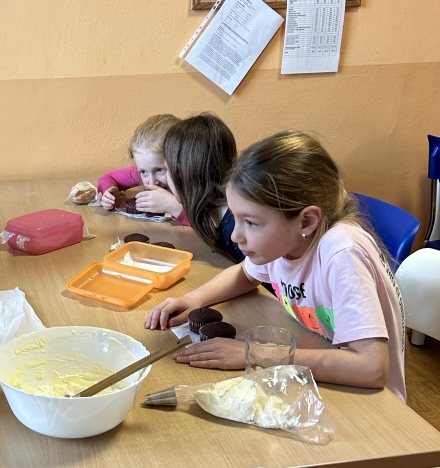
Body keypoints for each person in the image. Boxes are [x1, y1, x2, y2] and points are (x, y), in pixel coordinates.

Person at [146, 131, 406, 400]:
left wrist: (256, 354)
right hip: (320, 372)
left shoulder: (341, 253)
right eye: (236, 217)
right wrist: (194, 299)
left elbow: (371, 368)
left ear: (306, 221)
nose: (235, 236)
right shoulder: (285, 243)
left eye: (251, 222)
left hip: (370, 400)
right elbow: (244, 274)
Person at [162, 113, 241, 261]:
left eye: (167, 170)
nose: (166, 178)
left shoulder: (236, 225)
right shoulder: (208, 209)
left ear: (185, 174)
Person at [97, 114, 189, 222]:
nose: (151, 182)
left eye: (160, 170)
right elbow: (108, 177)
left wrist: (173, 207)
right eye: (143, 171)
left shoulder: (197, 182)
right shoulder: (147, 170)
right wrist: (110, 194)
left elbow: (206, 224)